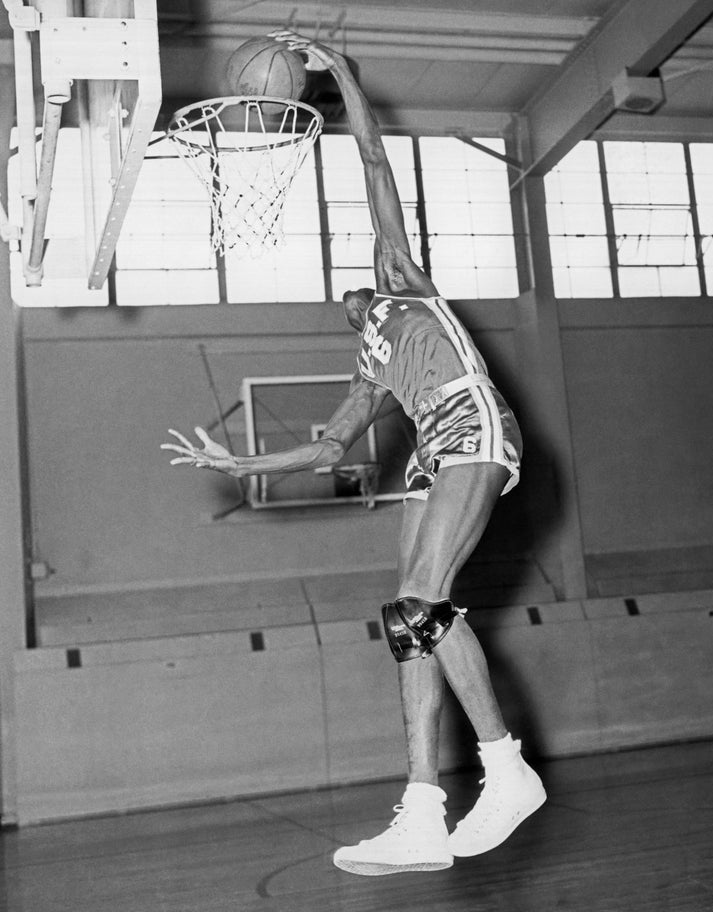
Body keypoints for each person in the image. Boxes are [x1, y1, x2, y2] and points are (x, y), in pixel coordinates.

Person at [162, 29, 546, 877]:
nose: (351, 293)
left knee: (421, 598)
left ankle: (508, 766)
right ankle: (420, 809)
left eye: (360, 285)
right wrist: (236, 465)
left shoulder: (404, 281)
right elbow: (329, 446)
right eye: (346, 298)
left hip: (469, 421)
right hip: (426, 450)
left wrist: (340, 80)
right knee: (407, 620)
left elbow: (376, 173)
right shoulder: (370, 358)